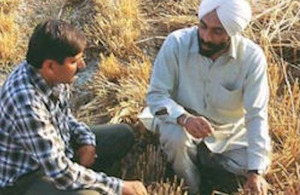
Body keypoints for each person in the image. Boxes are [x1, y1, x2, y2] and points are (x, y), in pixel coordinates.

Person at [0, 20, 147, 195]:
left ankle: (87, 178)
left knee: (123, 135)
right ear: (50, 66)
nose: (82, 66)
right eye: (74, 61)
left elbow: (65, 117)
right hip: (25, 178)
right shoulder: (26, 104)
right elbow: (61, 173)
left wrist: (86, 140)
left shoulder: (48, 75)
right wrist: (119, 186)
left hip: (56, 153)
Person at [145, 0, 271, 194]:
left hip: (229, 134)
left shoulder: (252, 58)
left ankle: (205, 160)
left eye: (217, 31)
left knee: (255, 162)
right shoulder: (176, 43)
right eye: (203, 26)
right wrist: (184, 118)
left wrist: (255, 171)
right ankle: (192, 187)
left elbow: (257, 114)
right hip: (181, 122)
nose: (206, 37)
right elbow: (156, 95)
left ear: (232, 32)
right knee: (174, 136)